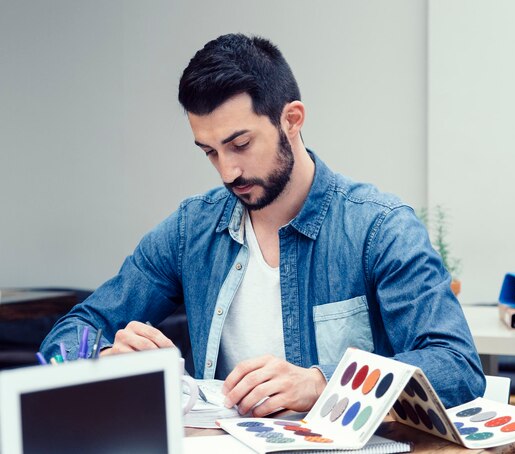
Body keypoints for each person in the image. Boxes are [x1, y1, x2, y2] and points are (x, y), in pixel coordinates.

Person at [41, 33, 485, 415]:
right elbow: (67, 336)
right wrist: (101, 356)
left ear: (291, 120)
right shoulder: (189, 230)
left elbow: (457, 368)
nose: (227, 172)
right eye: (210, 152)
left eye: (240, 144)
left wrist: (321, 383)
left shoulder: (380, 229)